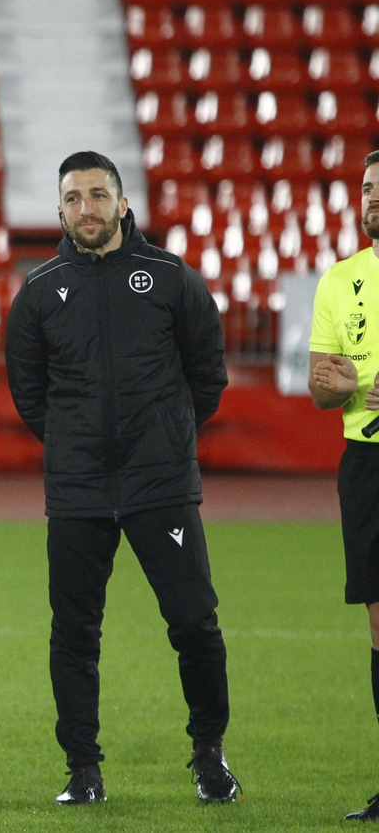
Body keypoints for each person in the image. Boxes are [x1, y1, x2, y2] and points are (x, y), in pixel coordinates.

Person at [5, 150, 238, 806]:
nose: (88, 208)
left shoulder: (171, 278)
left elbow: (208, 375)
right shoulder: (40, 291)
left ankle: (209, 755)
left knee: (195, 623)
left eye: (99, 195)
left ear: (123, 202)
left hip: (160, 484)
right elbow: (30, 396)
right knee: (75, 636)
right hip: (77, 491)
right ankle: (83, 769)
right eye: (75, 197)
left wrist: (164, 437)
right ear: (59, 208)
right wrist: (75, 443)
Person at [306, 149, 379, 821]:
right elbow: (320, 384)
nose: (372, 198)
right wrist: (347, 384)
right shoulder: (340, 281)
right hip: (367, 464)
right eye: (365, 188)